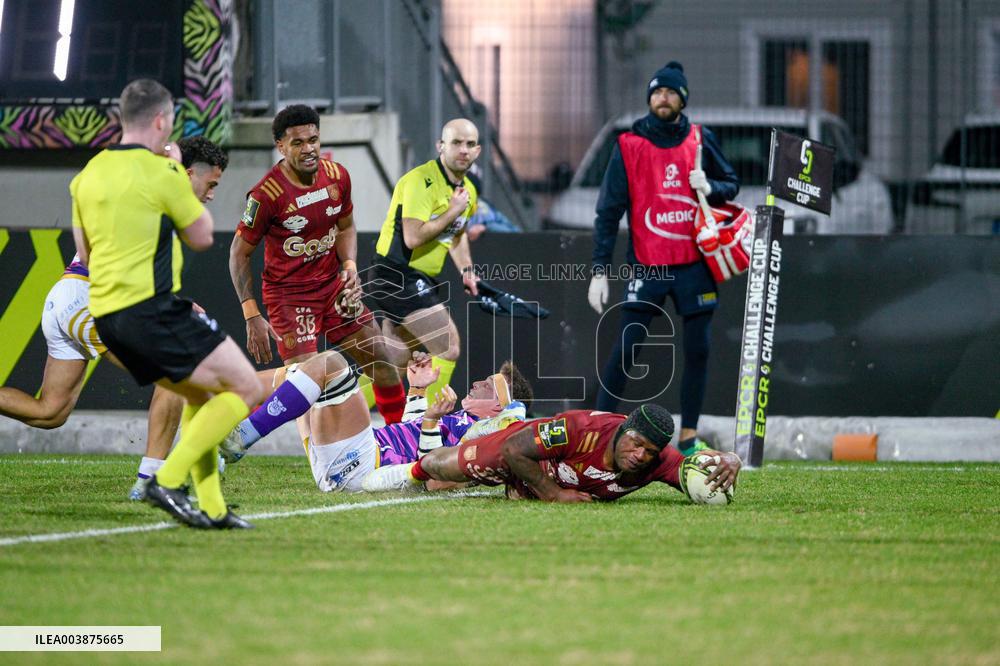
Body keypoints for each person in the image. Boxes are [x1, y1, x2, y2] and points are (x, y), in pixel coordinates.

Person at [72, 78, 265, 529]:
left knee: (201, 393)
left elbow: (84, 251)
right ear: (162, 121)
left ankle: (213, 509)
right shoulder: (163, 173)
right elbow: (201, 236)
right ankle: (168, 479)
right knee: (247, 389)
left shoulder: (89, 174)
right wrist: (177, 174)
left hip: (106, 315)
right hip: (151, 309)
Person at [0, 134, 231, 501]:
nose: (212, 194)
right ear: (189, 174)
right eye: (212, 183)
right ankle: (152, 480)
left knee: (50, 411)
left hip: (68, 301)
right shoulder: (153, 199)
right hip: (87, 300)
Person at [588, 61, 739, 456]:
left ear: (683, 98)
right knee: (627, 347)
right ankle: (598, 430)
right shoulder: (628, 145)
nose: (662, 98)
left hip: (695, 265)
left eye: (671, 92)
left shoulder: (700, 139)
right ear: (649, 98)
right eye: (656, 92)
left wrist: (712, 186)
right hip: (648, 265)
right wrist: (599, 269)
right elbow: (608, 212)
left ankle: (688, 437)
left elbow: (732, 183)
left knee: (699, 349)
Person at [229, 104, 405, 437]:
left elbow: (347, 227)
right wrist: (251, 314)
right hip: (290, 298)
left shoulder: (338, 176)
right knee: (305, 386)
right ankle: (232, 425)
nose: (308, 148)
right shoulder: (266, 195)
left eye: (313, 139)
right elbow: (238, 254)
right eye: (297, 142)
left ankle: (401, 442)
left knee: (383, 361)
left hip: (332, 290)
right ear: (280, 146)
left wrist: (349, 264)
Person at [218, 349, 533, 494]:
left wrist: (431, 422)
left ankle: (238, 437)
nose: (477, 383)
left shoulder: (481, 440)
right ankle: (215, 391)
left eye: (488, 386)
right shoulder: (462, 421)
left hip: (365, 465)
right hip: (354, 457)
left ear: (498, 408)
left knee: (332, 365)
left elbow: (433, 475)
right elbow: (412, 435)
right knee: (302, 371)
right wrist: (418, 388)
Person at [364, 403, 740, 503]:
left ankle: (518, 488)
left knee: (455, 486)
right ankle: (408, 470)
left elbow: (698, 474)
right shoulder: (579, 429)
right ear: (623, 429)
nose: (640, 455)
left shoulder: (657, 461)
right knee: (444, 469)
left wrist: (731, 461)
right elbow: (515, 450)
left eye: (649, 451)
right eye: (636, 443)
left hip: (532, 477)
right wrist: (555, 494)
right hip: (524, 448)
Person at [368, 118, 482, 401]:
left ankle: (336, 404)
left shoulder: (469, 190)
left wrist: (467, 270)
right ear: (440, 146)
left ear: (478, 151)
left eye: (469, 144)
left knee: (393, 362)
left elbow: (455, 235)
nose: (463, 150)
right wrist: (453, 211)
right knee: (449, 347)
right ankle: (426, 428)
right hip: (396, 274)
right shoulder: (421, 180)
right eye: (456, 143)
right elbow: (413, 238)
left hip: (417, 279)